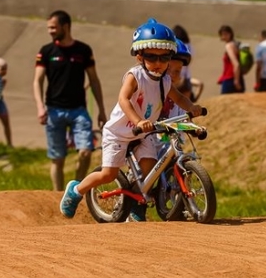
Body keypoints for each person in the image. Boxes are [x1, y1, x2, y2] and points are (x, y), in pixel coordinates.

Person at [59, 20, 202, 221]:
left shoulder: (165, 80)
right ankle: (76, 190)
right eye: (152, 57)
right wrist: (137, 120)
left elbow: (179, 98)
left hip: (144, 133)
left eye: (165, 57)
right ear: (139, 57)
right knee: (108, 174)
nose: (159, 63)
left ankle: (136, 201)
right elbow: (123, 99)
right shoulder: (135, 76)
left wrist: (192, 107)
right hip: (119, 132)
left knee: (150, 169)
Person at [33, 10, 107, 191]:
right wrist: (40, 107)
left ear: (65, 26)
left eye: (53, 27)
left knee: (85, 151)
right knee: (57, 159)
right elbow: (37, 80)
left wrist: (101, 110)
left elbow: (94, 80)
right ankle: (58, 195)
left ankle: (75, 190)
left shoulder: (83, 50)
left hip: (78, 110)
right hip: (53, 111)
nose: (50, 31)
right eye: (48, 28)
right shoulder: (46, 51)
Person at [160, 39, 193, 119]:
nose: (172, 74)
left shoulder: (179, 101)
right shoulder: (146, 94)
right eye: (168, 69)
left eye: (177, 71)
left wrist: (195, 129)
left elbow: (184, 120)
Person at [172, 25, 204, 102]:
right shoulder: (190, 47)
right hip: (186, 79)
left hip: (175, 79)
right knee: (184, 107)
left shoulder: (175, 46)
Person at [217, 25, 244, 94]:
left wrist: (236, 81)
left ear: (230, 34)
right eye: (222, 34)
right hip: (238, 78)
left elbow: (236, 64)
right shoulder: (236, 45)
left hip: (230, 79)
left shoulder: (228, 46)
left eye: (226, 34)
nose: (224, 36)